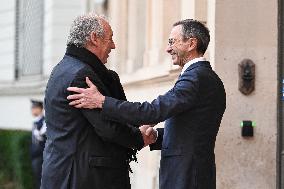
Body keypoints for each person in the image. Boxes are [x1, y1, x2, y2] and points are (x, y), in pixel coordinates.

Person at [67, 19, 226, 189]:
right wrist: (156, 136)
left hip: (187, 175)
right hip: (188, 172)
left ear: (191, 43)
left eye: (172, 41)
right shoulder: (200, 76)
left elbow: (152, 111)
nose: (167, 48)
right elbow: (194, 129)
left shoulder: (195, 78)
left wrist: (102, 102)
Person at [41, 13, 155, 189]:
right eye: (110, 38)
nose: (113, 45)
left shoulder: (63, 68)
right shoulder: (82, 75)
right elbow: (108, 127)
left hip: (64, 173)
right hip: (83, 178)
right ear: (94, 38)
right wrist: (139, 138)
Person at [30, 99, 46, 189]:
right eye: (32, 108)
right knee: (37, 180)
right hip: (35, 156)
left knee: (42, 180)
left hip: (42, 156)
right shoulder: (35, 122)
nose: (32, 110)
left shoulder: (44, 122)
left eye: (34, 108)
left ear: (40, 109)